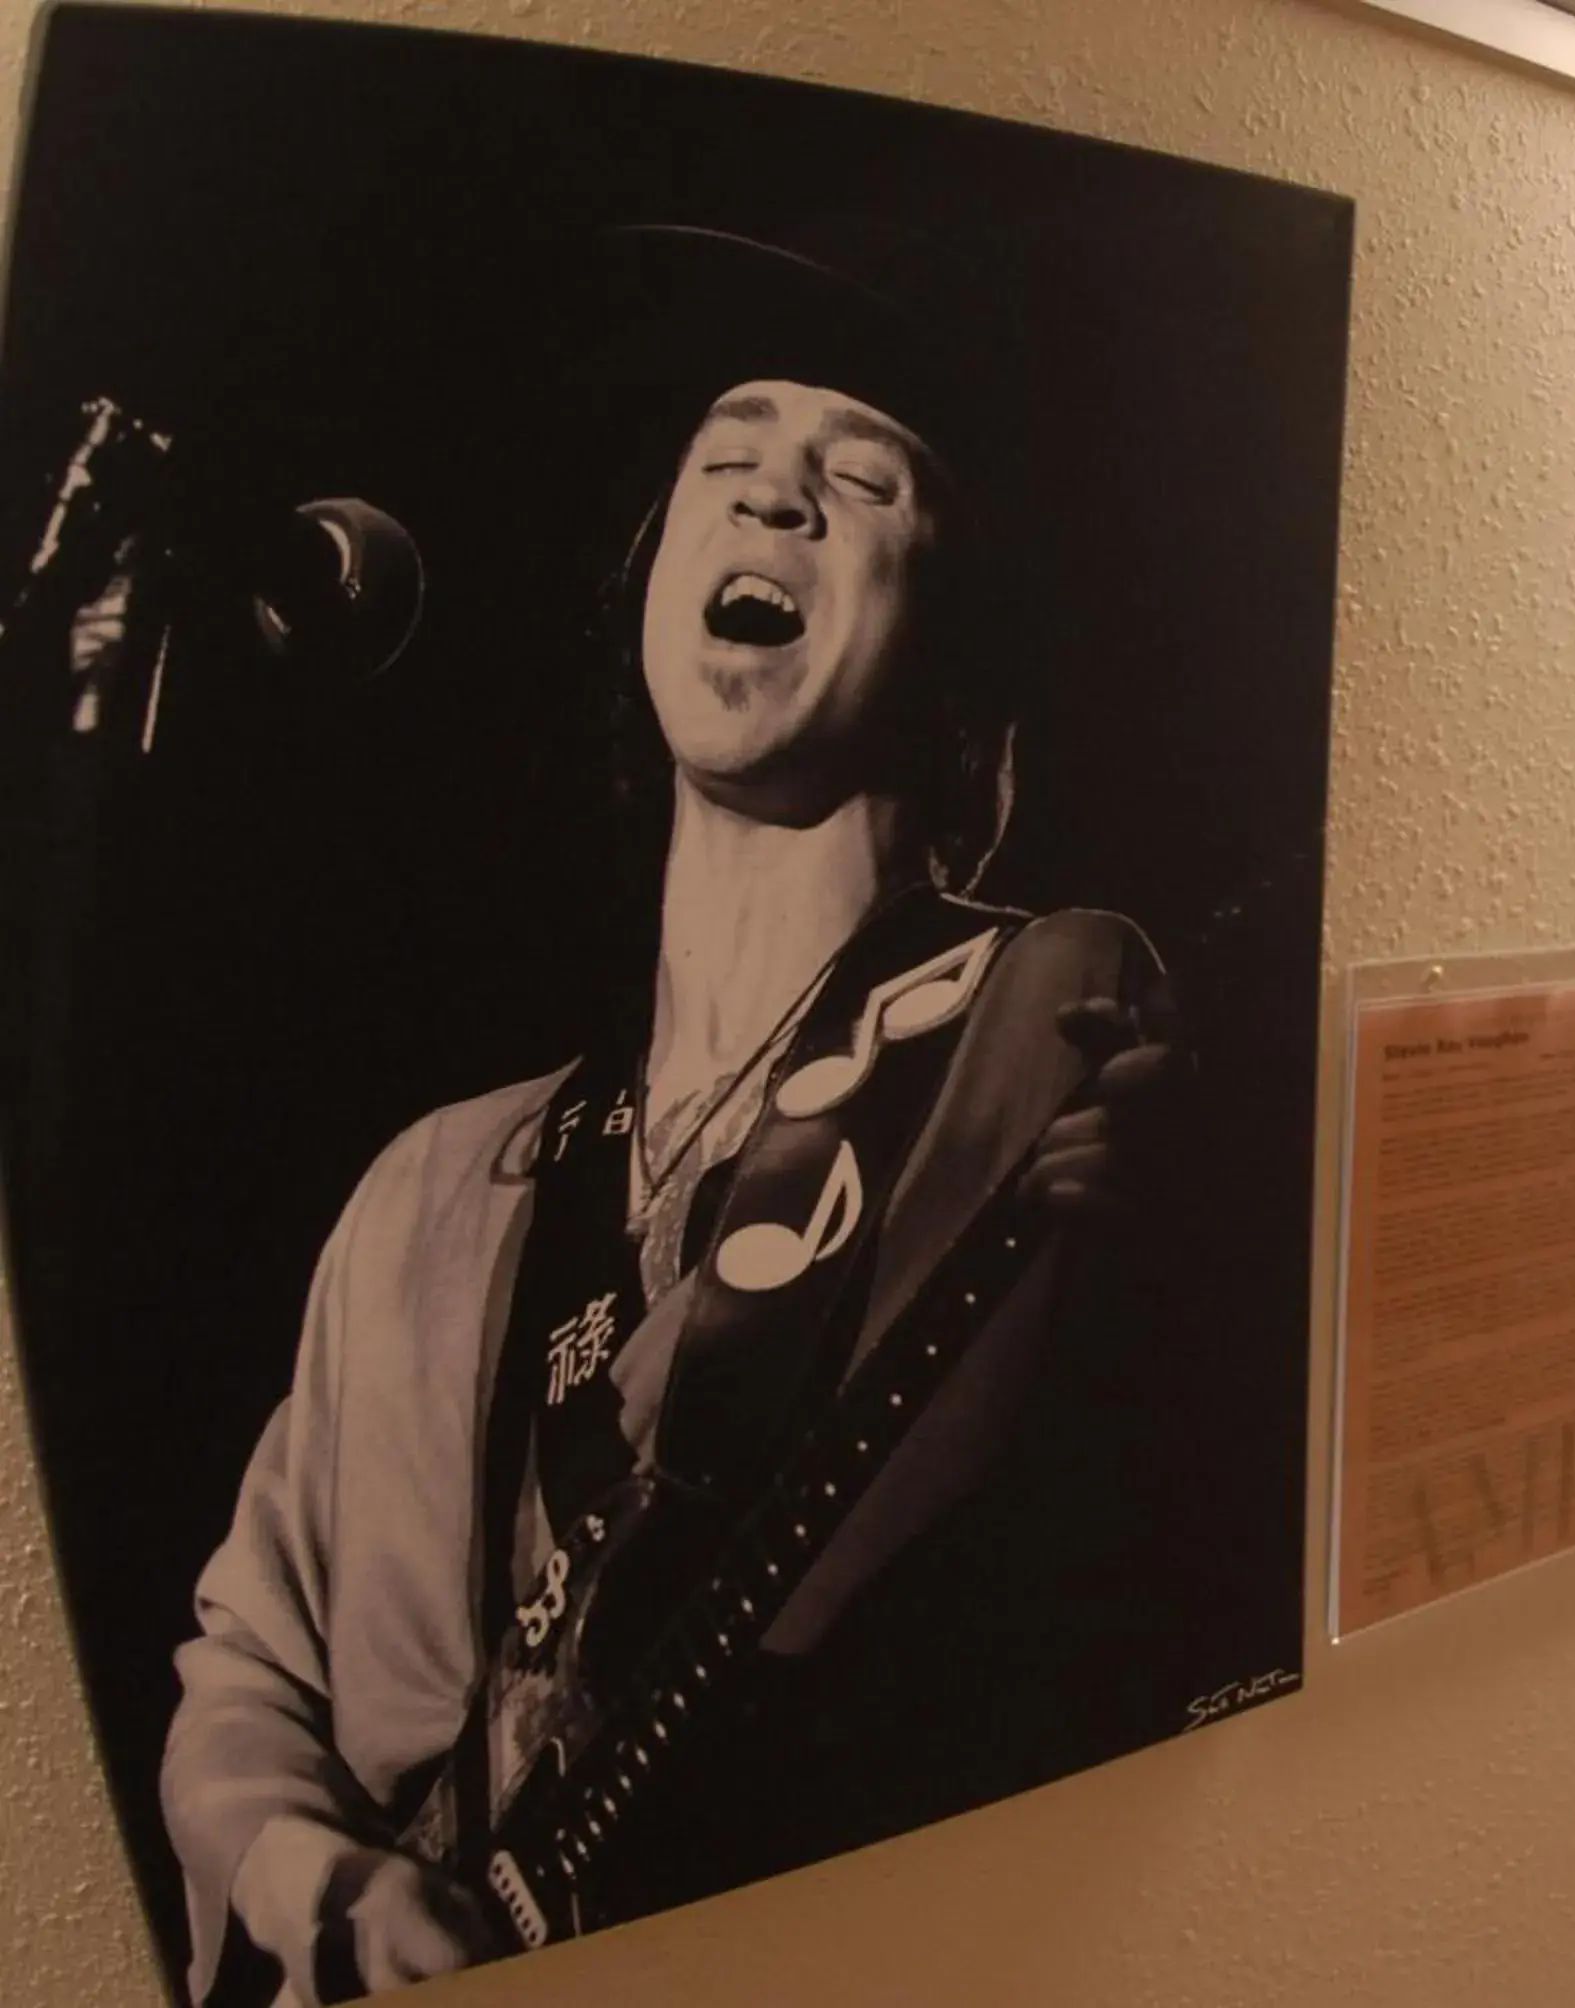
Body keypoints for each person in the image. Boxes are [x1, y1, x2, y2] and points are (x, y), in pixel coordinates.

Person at [156, 228, 1183, 2002]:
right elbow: (246, 1664)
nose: (775, 496)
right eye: (726, 464)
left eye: (860, 482)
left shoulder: (1032, 1017)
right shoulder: (427, 1189)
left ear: (954, 654)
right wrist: (317, 1879)